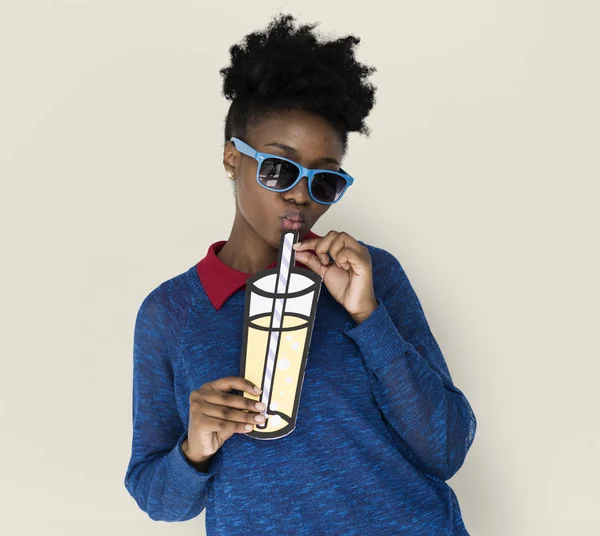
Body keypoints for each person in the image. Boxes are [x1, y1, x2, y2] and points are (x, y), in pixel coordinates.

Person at [123, 12, 477, 535]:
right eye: (278, 167)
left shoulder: (370, 276)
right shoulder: (170, 313)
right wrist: (192, 449)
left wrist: (367, 314)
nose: (299, 195)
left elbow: (446, 446)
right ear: (230, 158)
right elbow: (159, 499)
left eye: (324, 181)